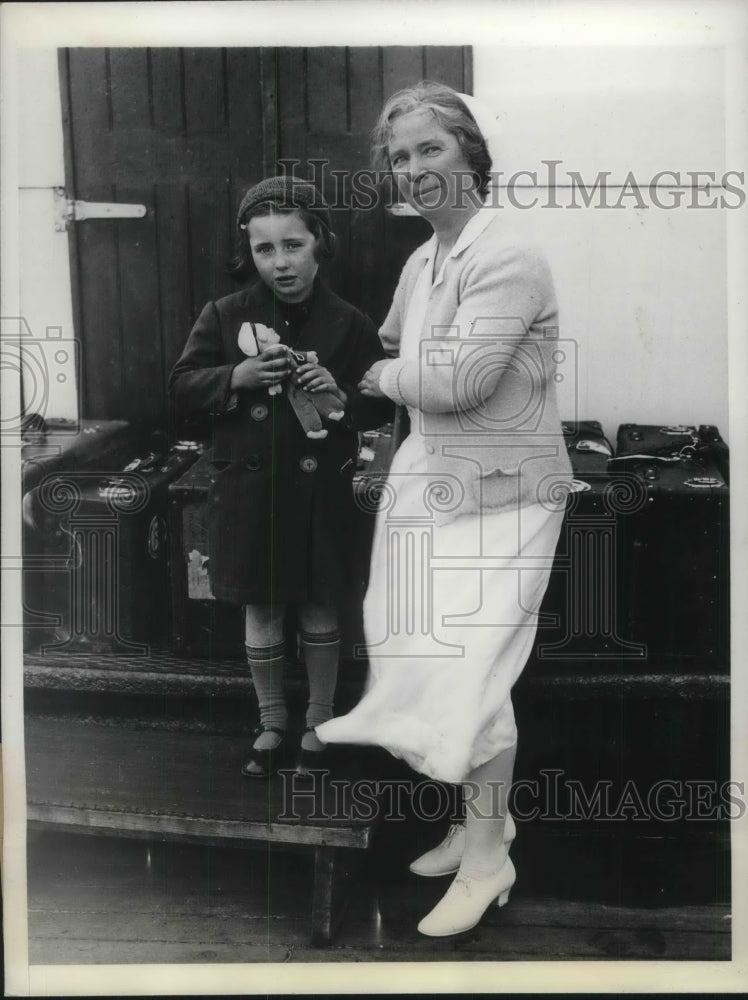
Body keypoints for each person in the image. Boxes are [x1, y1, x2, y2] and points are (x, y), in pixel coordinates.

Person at [316, 82, 573, 936]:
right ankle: (476, 825)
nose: (415, 169)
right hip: (432, 482)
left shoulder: (510, 256)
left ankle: (492, 855)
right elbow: (394, 342)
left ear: (470, 153)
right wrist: (362, 366)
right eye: (399, 156)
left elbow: (458, 382)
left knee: (474, 671)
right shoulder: (426, 258)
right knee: (425, 652)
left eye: (431, 149)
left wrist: (382, 378)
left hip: (503, 495)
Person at [169, 176, 392, 779]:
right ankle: (271, 722)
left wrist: (340, 395)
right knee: (263, 606)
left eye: (293, 245)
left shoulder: (349, 323)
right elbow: (182, 386)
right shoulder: (225, 315)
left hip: (321, 495)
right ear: (250, 253)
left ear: (320, 243)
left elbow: (379, 403)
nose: (281, 262)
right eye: (265, 250)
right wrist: (234, 378)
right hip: (251, 492)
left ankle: (318, 720)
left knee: (321, 605)